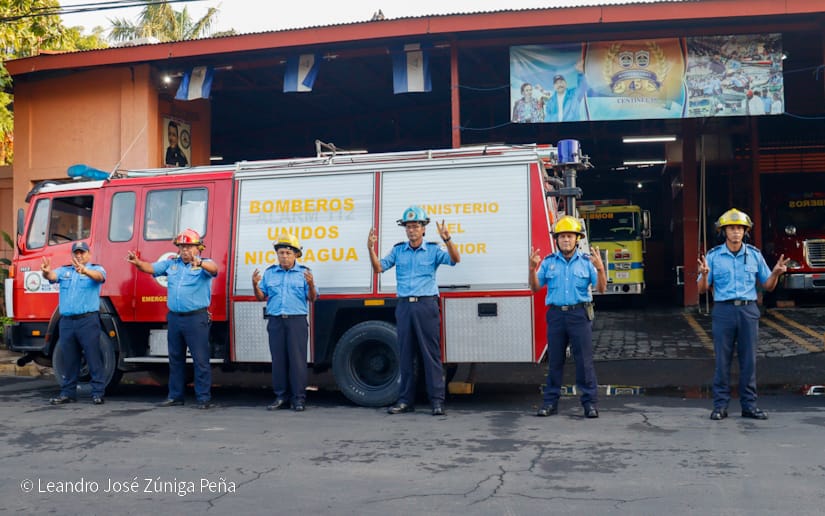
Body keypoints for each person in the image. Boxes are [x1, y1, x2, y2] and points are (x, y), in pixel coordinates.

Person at [367, 206, 460, 416]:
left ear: (423, 229)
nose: (411, 230)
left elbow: (455, 260)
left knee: (430, 355)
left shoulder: (434, 250)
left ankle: (436, 401)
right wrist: (370, 249)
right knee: (405, 354)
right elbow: (379, 268)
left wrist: (448, 239)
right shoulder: (399, 250)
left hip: (426, 305)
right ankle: (405, 401)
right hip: (404, 306)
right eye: (408, 227)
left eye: (416, 226)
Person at [697, 209, 788, 421]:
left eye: (739, 228)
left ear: (745, 231)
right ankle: (720, 406)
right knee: (722, 360)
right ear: (724, 232)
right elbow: (702, 289)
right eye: (731, 228)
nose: (736, 232)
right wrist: (704, 274)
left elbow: (767, 285)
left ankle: (749, 406)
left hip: (748, 310)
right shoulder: (713, 256)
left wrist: (775, 273)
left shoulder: (755, 255)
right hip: (723, 311)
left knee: (749, 361)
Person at [126, 229, 218, 409]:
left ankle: (203, 398)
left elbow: (214, 270)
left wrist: (200, 263)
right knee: (175, 358)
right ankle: (175, 396)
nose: (185, 250)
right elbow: (151, 268)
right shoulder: (171, 265)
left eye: (189, 247)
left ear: (198, 248)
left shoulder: (204, 264)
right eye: (182, 247)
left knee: (200, 360)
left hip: (196, 318)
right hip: (175, 318)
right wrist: (137, 263)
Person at [529, 216, 606, 418]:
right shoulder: (548, 263)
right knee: (555, 361)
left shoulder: (587, 263)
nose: (566, 240)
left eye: (570, 236)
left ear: (577, 239)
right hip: (555, 315)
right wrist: (531, 269)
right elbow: (535, 287)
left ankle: (589, 403)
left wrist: (600, 268)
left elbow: (602, 288)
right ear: (557, 239)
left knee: (584, 361)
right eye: (562, 236)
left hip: (579, 314)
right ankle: (550, 403)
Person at [252, 233, 317, 412]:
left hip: (296, 321)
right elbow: (260, 297)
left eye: (288, 253)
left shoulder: (304, 273)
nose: (284, 256)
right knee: (278, 360)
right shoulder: (270, 273)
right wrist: (255, 285)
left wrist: (311, 285)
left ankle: (298, 399)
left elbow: (312, 299)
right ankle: (281, 396)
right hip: (276, 321)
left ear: (296, 254)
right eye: (281, 253)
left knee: (297, 361)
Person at [42, 241, 108, 405]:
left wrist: (85, 271)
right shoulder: (64, 271)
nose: (79, 256)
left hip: (87, 320)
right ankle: (67, 393)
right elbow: (52, 277)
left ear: (88, 254)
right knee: (69, 359)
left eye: (82, 253)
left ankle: (97, 393)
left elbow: (100, 278)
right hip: (67, 322)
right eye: (76, 253)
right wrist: (46, 272)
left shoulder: (96, 269)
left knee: (93, 358)